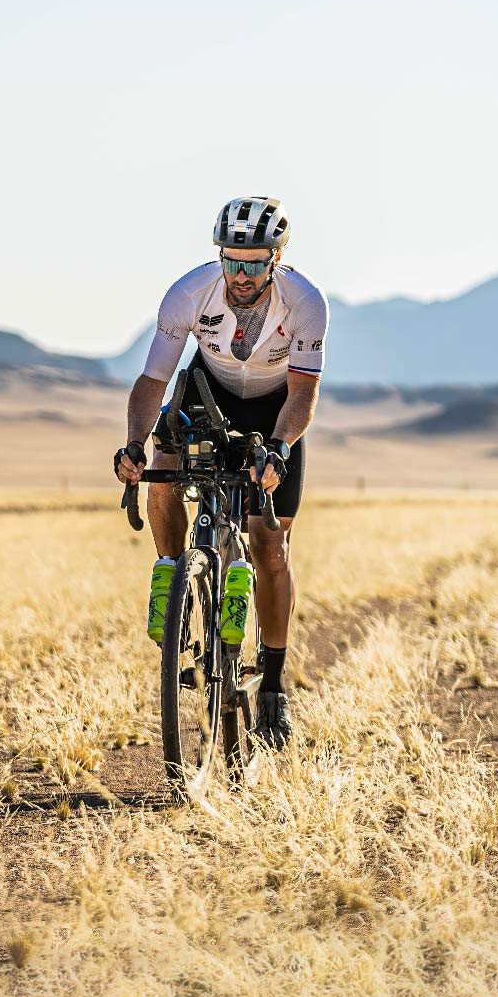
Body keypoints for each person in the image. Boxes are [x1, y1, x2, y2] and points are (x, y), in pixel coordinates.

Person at [112, 196, 327, 749]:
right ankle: (172, 570)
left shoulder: (305, 303)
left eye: (255, 263)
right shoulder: (188, 294)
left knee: (269, 545)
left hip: (275, 411)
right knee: (162, 458)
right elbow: (152, 382)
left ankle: (273, 687)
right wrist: (133, 443)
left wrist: (278, 448)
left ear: (276, 260)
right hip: (208, 394)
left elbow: (303, 395)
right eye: (232, 260)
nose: (241, 274)